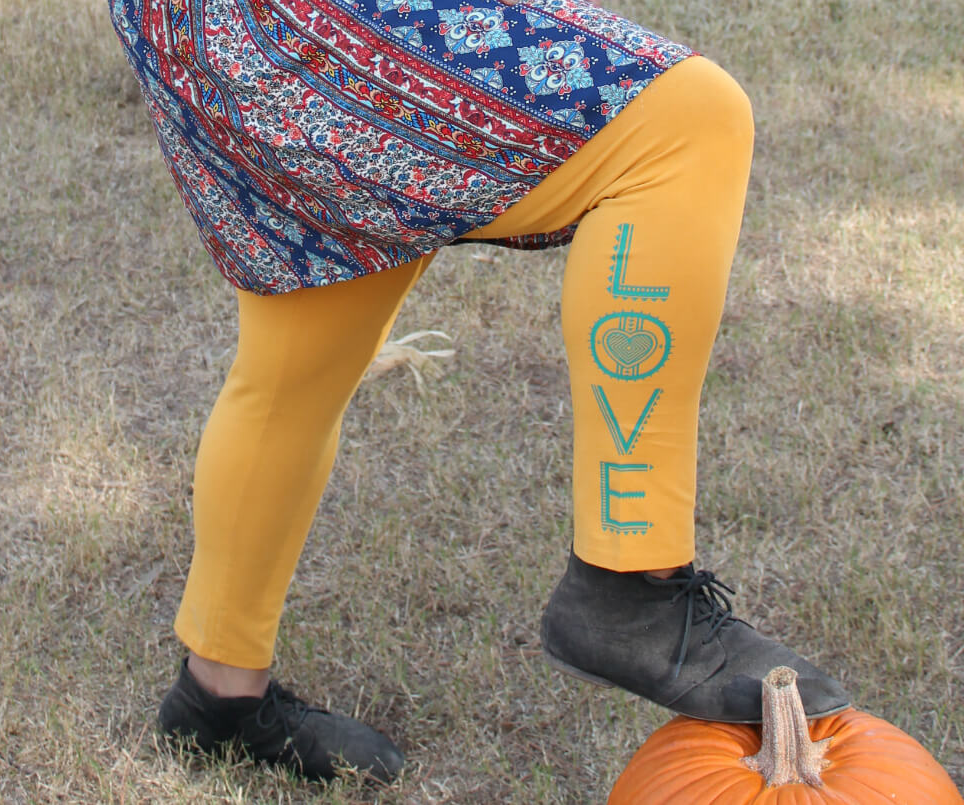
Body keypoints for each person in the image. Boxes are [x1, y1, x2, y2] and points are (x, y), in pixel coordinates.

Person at [109, 0, 849, 784]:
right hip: (285, 26)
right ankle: (632, 584)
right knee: (688, 122)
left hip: (197, 30)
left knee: (299, 355)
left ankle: (217, 696)